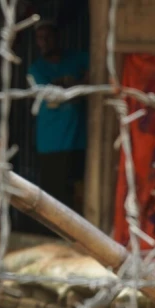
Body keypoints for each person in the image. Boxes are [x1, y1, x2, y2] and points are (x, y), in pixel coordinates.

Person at [27, 20, 88, 213]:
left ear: (57, 37)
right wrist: (76, 85)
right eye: (39, 38)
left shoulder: (76, 58)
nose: (43, 42)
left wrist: (74, 84)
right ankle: (54, 239)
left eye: (47, 37)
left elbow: (96, 68)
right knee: (54, 196)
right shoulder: (36, 69)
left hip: (79, 140)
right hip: (51, 143)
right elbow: (53, 96)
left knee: (80, 189)